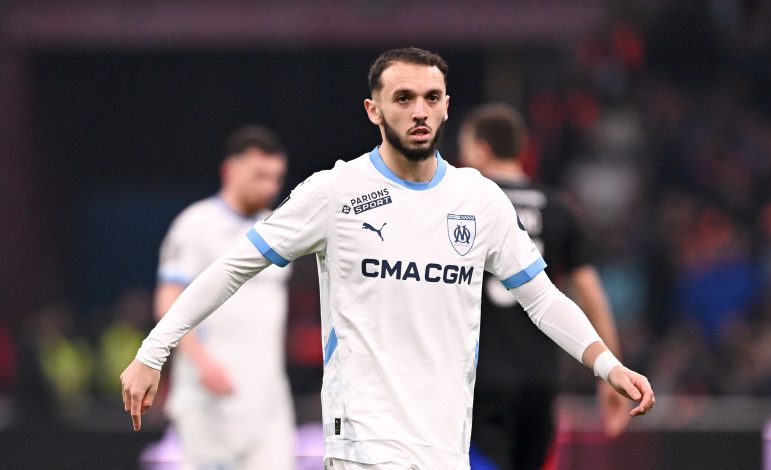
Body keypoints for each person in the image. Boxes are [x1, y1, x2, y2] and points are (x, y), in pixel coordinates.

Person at [121, 47, 654, 470]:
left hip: (445, 444)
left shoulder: (479, 199)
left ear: (447, 106)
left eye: (431, 97)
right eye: (403, 98)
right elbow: (233, 267)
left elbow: (542, 299)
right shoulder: (336, 192)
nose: (419, 110)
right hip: (364, 442)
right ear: (373, 110)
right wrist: (153, 352)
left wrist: (608, 365)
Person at [458, 103, 629, 469]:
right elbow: (592, 297)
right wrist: (609, 372)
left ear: (479, 148)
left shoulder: (464, 208)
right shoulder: (559, 208)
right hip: (541, 381)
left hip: (480, 381)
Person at [153, 125, 294, 469]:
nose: (269, 187)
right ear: (229, 171)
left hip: (268, 401)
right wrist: (202, 362)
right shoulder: (195, 224)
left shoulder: (279, 229)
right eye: (259, 176)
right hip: (210, 399)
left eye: (276, 178)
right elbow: (167, 302)